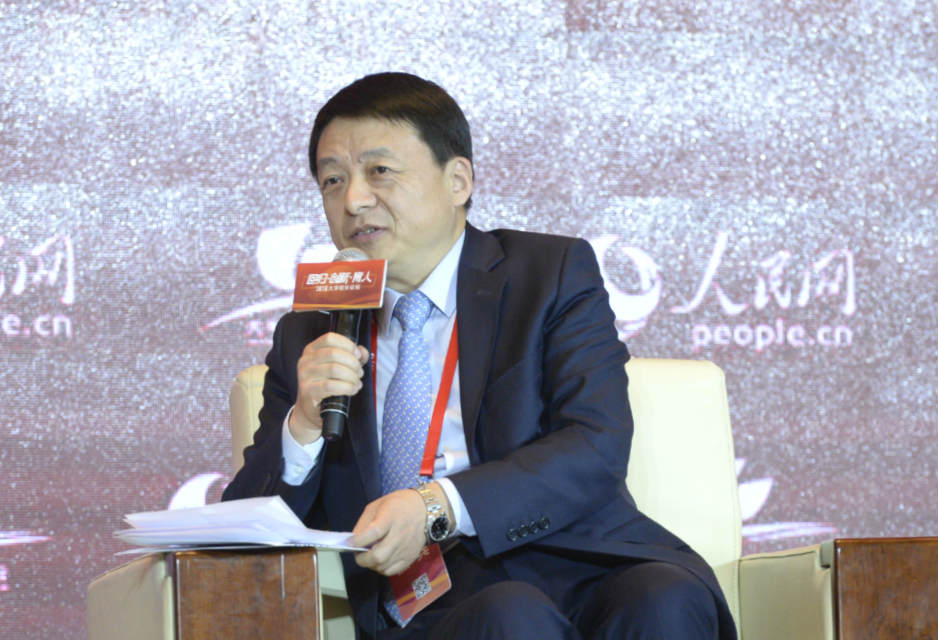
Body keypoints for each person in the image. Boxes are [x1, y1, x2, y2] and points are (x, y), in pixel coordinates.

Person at [223, 71, 736, 640]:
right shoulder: (310, 332)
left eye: (379, 171)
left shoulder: (548, 275)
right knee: (510, 615)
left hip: (579, 557)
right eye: (332, 180)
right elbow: (244, 528)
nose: (354, 200)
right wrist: (302, 426)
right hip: (434, 600)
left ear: (458, 180)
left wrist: (437, 506)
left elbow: (596, 442)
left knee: (668, 597)